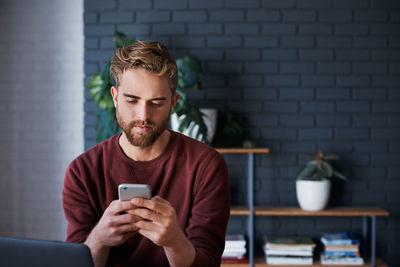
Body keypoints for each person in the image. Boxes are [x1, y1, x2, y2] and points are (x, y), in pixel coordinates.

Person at [62, 40, 231, 267]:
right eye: (132, 100)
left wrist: (174, 241)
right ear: (115, 97)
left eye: (157, 102)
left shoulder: (206, 166)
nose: (143, 115)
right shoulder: (82, 172)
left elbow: (208, 262)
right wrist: (100, 238)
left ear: (173, 103)